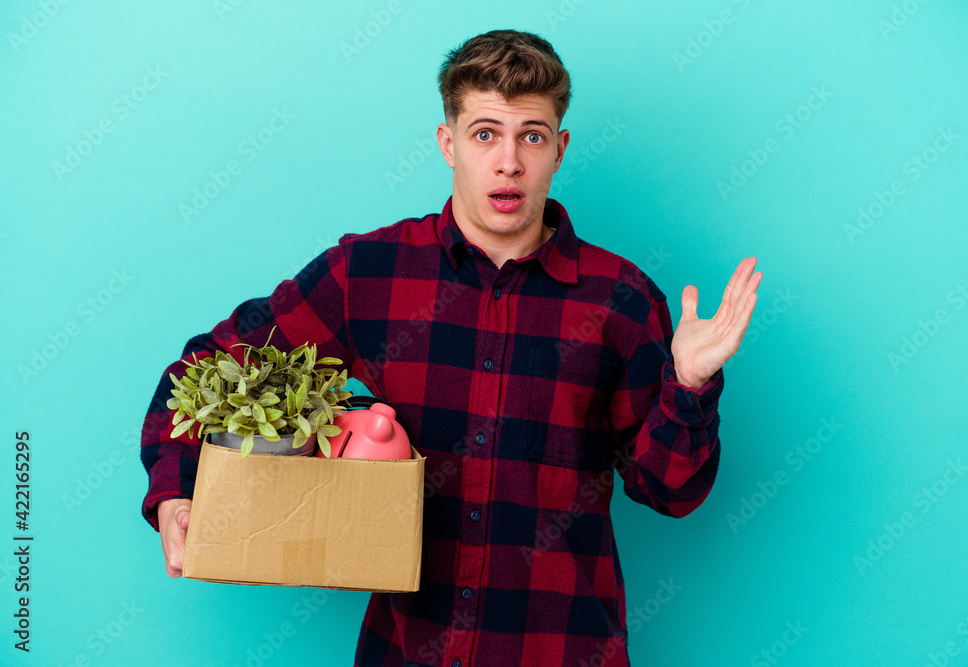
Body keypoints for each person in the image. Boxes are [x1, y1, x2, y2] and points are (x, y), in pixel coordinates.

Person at [141, 29, 761, 666]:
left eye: (533, 136)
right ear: (449, 144)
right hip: (408, 651)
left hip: (563, 649)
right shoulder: (369, 274)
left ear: (560, 149)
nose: (509, 162)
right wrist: (176, 490)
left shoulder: (622, 300)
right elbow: (212, 365)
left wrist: (688, 384)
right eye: (485, 133)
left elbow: (670, 491)